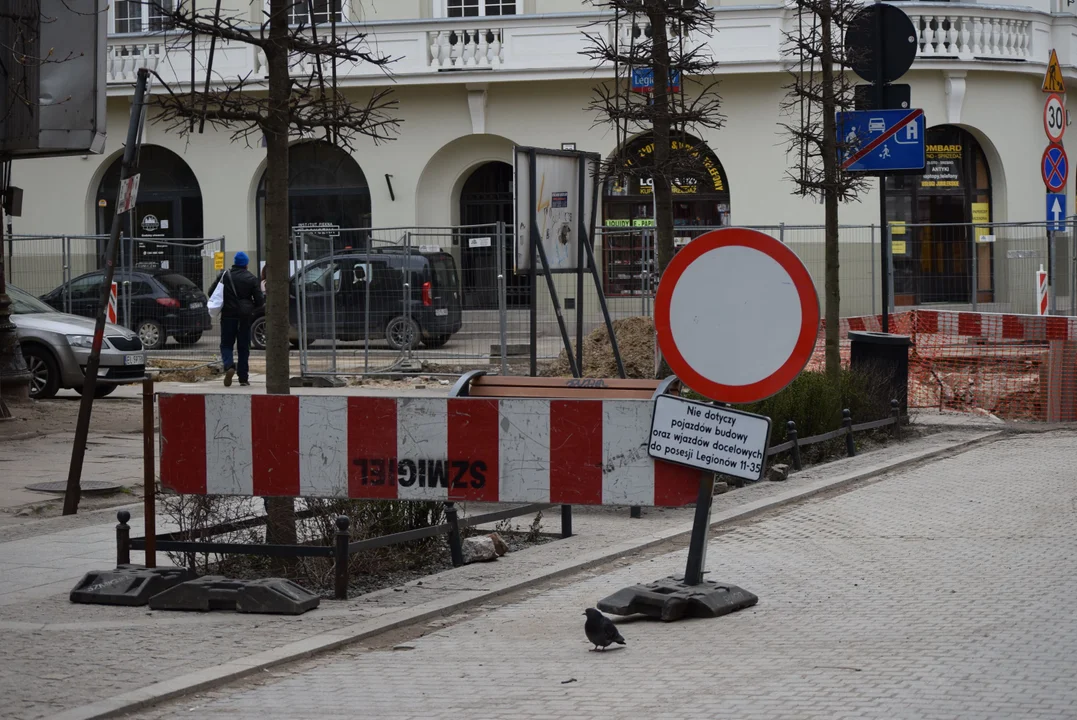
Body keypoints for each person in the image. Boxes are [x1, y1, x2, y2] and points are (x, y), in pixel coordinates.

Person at [210, 251, 263, 387]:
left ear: (234, 262)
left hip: (228, 316)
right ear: (246, 264)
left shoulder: (225, 275)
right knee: (244, 347)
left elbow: (211, 292)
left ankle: (229, 366)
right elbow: (259, 301)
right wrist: (249, 307)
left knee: (226, 344)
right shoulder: (251, 278)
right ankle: (243, 378)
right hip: (244, 318)